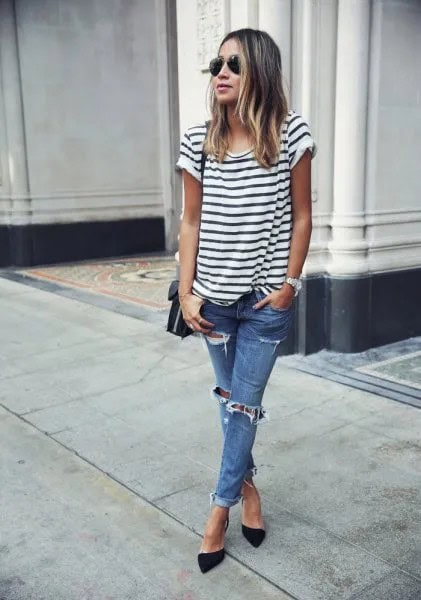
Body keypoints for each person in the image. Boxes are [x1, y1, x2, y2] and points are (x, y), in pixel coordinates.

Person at [176, 28, 316, 573]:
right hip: (211, 304)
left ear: (259, 69)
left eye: (233, 62)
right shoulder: (197, 140)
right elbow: (191, 222)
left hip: (263, 305)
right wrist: (186, 293)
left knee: (241, 404)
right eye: (216, 63)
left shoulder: (291, 135)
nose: (222, 72)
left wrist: (290, 284)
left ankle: (218, 512)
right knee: (234, 404)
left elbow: (303, 215)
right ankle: (250, 492)